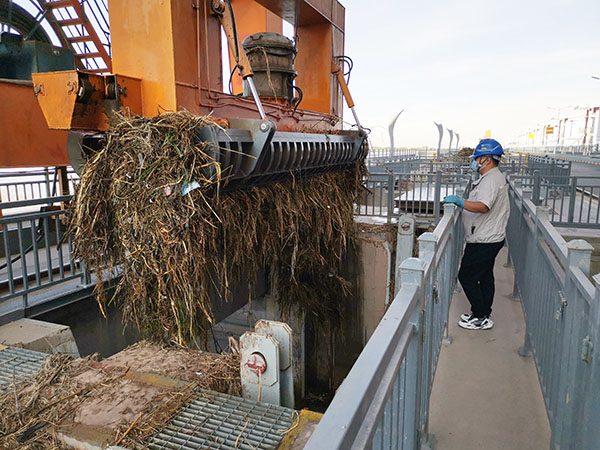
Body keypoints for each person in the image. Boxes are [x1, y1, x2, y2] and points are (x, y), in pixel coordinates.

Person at [443, 139, 510, 330]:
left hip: (485, 239)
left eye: (477, 158)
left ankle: (480, 316)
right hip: (489, 236)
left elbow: (483, 206)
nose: (475, 162)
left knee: (466, 276)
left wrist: (459, 201)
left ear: (487, 159)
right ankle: (482, 313)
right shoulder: (493, 177)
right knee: (485, 276)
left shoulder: (491, 180)